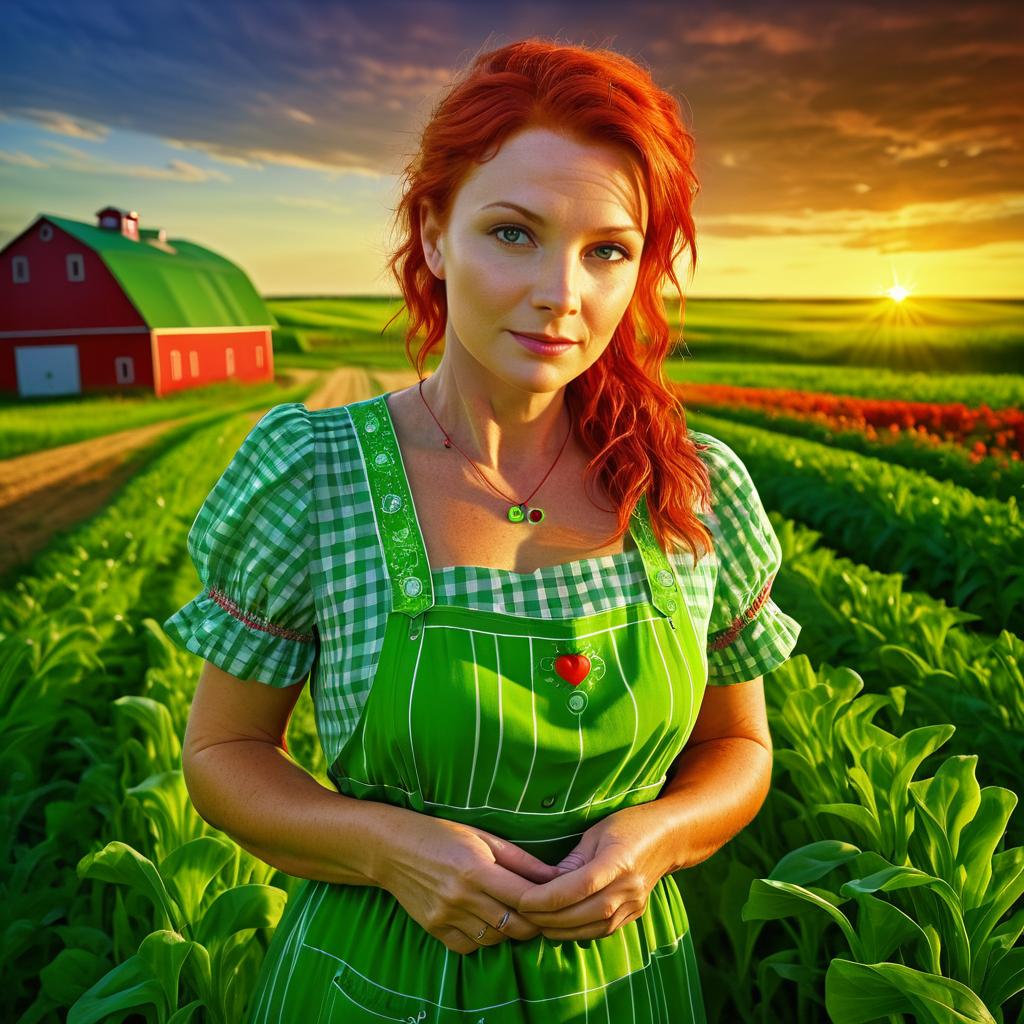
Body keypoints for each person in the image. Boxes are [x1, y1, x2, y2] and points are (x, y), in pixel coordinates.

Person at [162, 37, 802, 1023]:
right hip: (372, 981)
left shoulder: (691, 485)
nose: (562, 294)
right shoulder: (317, 474)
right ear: (430, 233)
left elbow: (738, 745)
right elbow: (223, 752)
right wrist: (384, 846)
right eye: (514, 234)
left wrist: (662, 836)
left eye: (607, 250)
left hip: (625, 987)